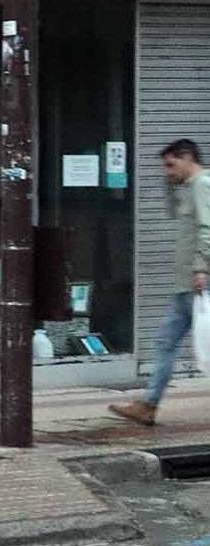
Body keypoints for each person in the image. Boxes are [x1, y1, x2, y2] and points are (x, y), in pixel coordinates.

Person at [112, 139, 210, 426]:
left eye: (171, 164)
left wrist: (201, 267)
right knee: (165, 342)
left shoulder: (202, 184)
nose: (167, 171)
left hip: (199, 282)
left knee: (170, 343)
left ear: (188, 157)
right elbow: (174, 214)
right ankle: (149, 405)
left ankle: (149, 404)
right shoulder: (189, 188)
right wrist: (170, 184)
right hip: (186, 284)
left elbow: (207, 228)